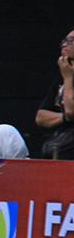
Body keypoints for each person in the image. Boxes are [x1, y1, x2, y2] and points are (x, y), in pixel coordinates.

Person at [34, 27, 74, 158]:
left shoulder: (66, 75)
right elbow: (40, 116)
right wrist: (64, 118)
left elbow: (70, 110)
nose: (64, 44)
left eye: (70, 40)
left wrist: (68, 78)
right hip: (59, 144)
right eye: (64, 40)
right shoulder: (61, 77)